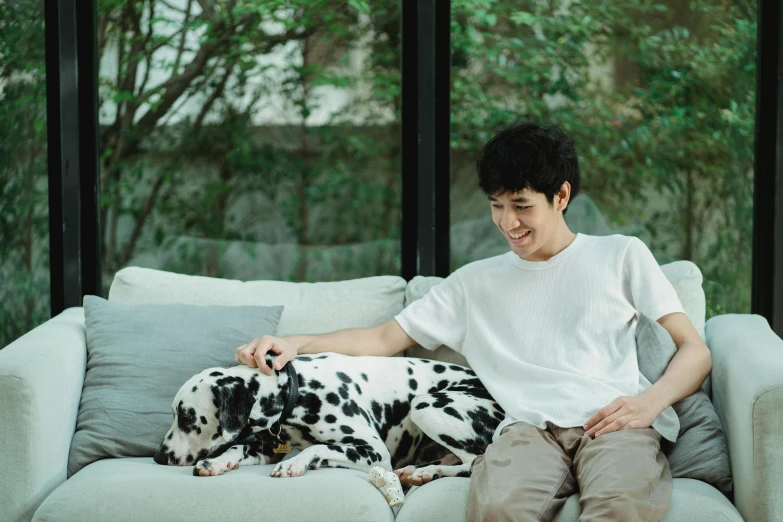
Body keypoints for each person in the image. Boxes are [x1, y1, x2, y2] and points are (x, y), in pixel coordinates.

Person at [234, 121, 712, 521]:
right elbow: (383, 338)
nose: (508, 223)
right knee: (498, 508)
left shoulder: (620, 255)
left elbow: (695, 349)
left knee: (620, 510)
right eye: (496, 206)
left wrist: (650, 403)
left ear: (561, 196)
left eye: (522, 205)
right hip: (526, 430)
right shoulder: (475, 283)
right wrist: (298, 342)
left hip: (614, 421)